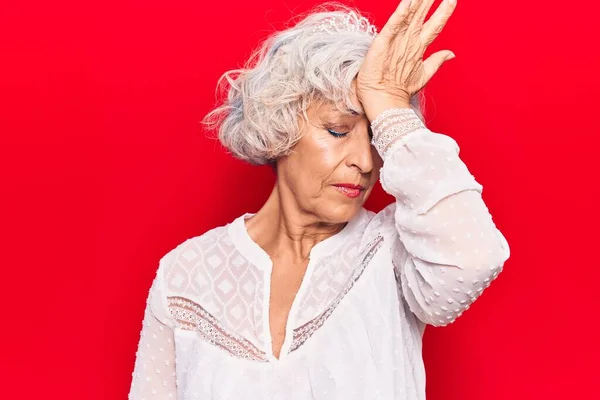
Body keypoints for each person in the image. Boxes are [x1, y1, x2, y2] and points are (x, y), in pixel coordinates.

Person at [128, 0, 510, 399]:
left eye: (376, 139)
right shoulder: (187, 276)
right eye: (338, 130)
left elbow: (474, 257)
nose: (365, 162)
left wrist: (390, 105)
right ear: (278, 125)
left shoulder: (393, 253)